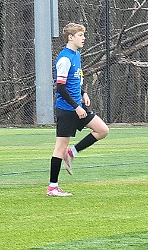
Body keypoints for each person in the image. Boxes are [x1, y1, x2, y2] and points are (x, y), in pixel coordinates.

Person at [46, 23, 109, 197]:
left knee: (103, 130)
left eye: (83, 35)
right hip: (67, 110)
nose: (84, 38)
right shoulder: (64, 58)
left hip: (78, 107)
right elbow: (60, 87)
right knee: (59, 148)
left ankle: (72, 153)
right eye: (80, 35)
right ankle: (52, 187)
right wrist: (76, 107)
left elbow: (74, 82)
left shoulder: (77, 55)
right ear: (70, 37)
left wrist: (83, 93)